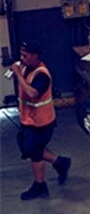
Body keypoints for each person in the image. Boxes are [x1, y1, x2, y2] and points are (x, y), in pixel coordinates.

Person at [6, 41, 71, 200]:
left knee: (34, 151)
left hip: (42, 122)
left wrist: (18, 74)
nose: (22, 58)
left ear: (36, 55)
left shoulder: (42, 74)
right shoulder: (27, 67)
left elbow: (32, 93)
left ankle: (40, 185)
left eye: (25, 55)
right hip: (29, 119)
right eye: (21, 55)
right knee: (28, 147)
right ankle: (60, 162)